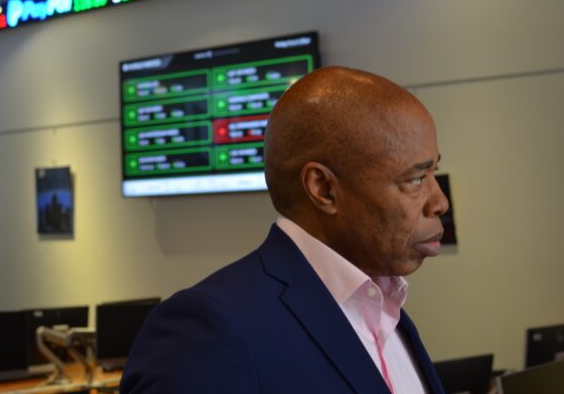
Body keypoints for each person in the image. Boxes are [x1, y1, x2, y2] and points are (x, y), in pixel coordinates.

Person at [120, 66, 449, 393]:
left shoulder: (386, 310)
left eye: (433, 172)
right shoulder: (205, 331)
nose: (440, 202)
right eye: (416, 179)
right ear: (323, 189)